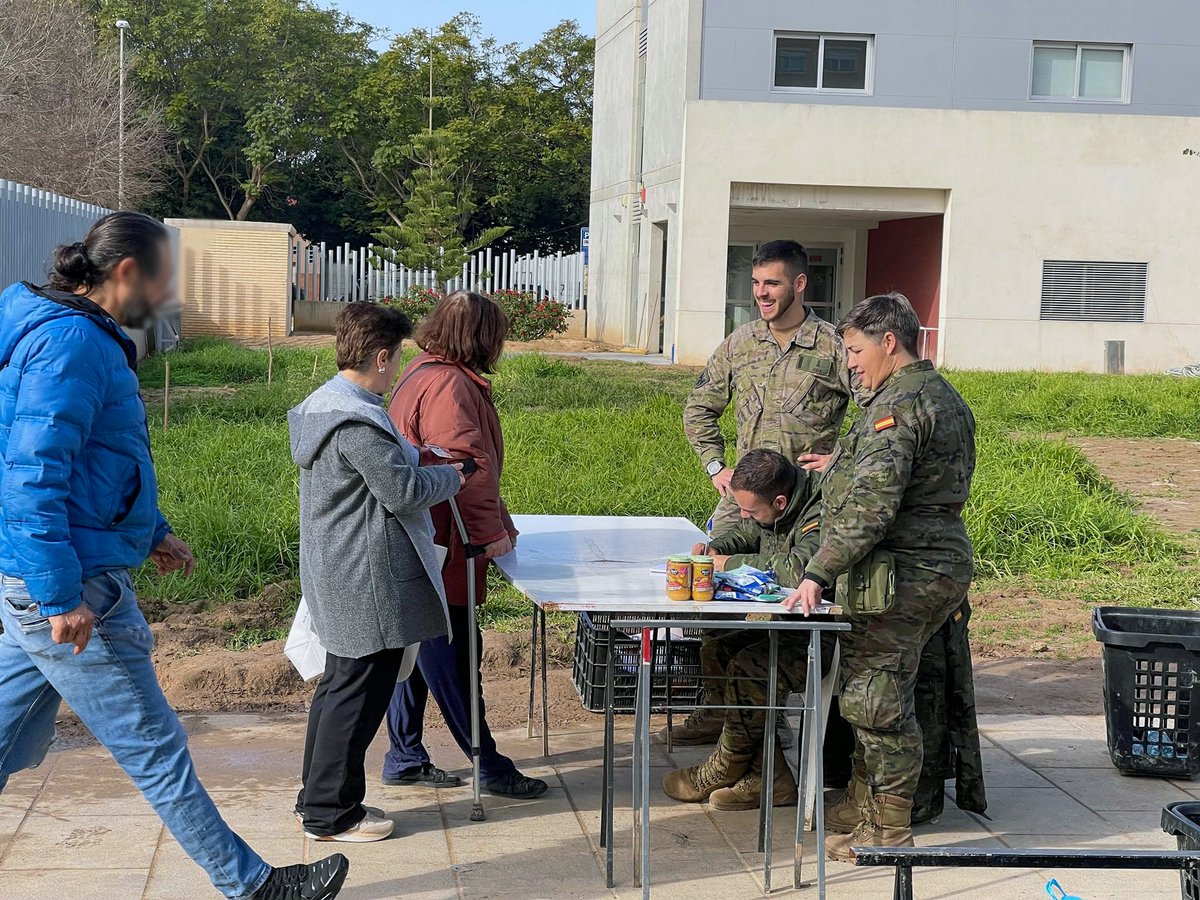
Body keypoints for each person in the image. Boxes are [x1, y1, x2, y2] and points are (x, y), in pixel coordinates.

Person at [0, 213, 348, 900]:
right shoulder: (73, 341)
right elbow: (33, 476)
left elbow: (105, 457)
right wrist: (61, 595)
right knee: (156, 749)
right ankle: (252, 886)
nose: (166, 299)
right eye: (163, 283)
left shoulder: (70, 333)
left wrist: (149, 528)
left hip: (44, 580)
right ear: (128, 272)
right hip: (71, 589)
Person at [783, 292, 976, 861]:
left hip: (906, 570)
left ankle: (888, 828)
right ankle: (869, 804)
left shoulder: (900, 406)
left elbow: (872, 505)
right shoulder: (937, 394)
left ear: (889, 342)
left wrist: (818, 571)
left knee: (876, 699)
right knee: (884, 688)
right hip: (932, 561)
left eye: (855, 349)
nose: (850, 362)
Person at [289, 303, 465, 842]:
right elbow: (403, 492)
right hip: (364, 576)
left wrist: (415, 455)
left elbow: (387, 469)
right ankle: (332, 814)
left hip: (339, 566)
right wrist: (454, 476)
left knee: (340, 687)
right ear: (382, 357)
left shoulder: (328, 405)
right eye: (400, 358)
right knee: (357, 695)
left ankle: (315, 801)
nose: (399, 368)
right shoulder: (356, 421)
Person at [677, 239, 856, 744]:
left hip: (803, 507)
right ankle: (721, 709)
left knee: (784, 596)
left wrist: (837, 459)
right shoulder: (740, 343)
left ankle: (762, 714)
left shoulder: (832, 345)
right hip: (744, 503)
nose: (761, 293)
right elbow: (698, 410)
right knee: (713, 592)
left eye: (772, 283)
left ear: (799, 284)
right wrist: (717, 466)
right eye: (755, 283)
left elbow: (876, 417)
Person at [381, 291, 548, 800]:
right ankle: (489, 766)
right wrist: (488, 534)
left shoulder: (421, 371)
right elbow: (465, 469)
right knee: (450, 651)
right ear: (482, 338)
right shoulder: (450, 384)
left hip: (419, 534)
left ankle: (405, 756)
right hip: (445, 539)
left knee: (414, 647)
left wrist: (499, 519)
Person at [661, 449, 833, 811]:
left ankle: (724, 767)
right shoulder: (773, 502)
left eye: (751, 508)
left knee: (751, 668)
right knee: (719, 646)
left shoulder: (822, 509)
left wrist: (730, 563)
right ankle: (768, 779)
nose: (744, 514)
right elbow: (746, 530)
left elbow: (800, 567)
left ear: (781, 501)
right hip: (792, 624)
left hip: (830, 633)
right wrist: (714, 548)